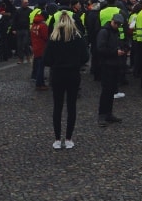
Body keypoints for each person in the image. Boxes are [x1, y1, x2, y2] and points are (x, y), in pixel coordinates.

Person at [44, 9, 90, 149]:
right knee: (71, 106)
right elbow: (86, 57)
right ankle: (69, 138)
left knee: (57, 106)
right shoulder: (78, 36)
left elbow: (46, 59)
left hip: (57, 74)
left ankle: (57, 139)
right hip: (73, 74)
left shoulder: (54, 37)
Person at [96, 13, 126, 127]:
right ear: (112, 21)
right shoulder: (104, 32)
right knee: (106, 91)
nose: (117, 26)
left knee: (111, 91)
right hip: (107, 65)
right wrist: (115, 52)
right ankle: (102, 115)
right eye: (116, 24)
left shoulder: (113, 31)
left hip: (114, 64)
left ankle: (108, 113)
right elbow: (100, 49)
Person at [30, 13, 49, 91]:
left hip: (35, 47)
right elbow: (46, 37)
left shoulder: (34, 25)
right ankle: (39, 84)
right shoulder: (43, 25)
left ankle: (39, 81)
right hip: (42, 48)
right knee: (41, 67)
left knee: (38, 66)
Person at [13, 0, 33, 64]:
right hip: (19, 30)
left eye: (27, 2)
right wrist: (14, 29)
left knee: (25, 44)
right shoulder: (18, 11)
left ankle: (28, 57)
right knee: (19, 45)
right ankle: (20, 59)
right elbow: (14, 20)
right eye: (25, 2)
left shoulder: (30, 11)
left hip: (26, 30)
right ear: (22, 3)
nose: (26, 4)